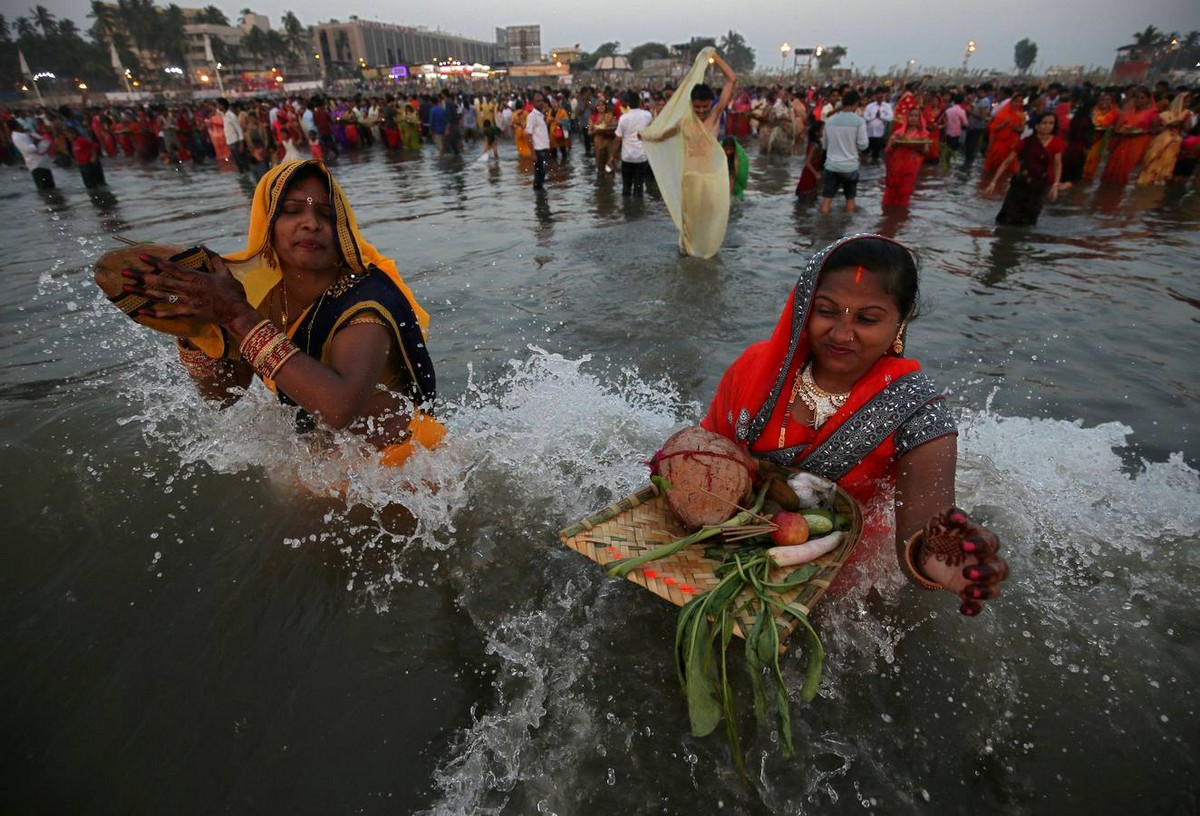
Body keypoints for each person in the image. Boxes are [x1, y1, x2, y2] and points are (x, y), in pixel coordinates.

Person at [701, 234, 1008, 615]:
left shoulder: (916, 410)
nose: (842, 334)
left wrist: (938, 559)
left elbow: (921, 530)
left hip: (834, 584)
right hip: (733, 545)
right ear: (804, 306)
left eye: (867, 319)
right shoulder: (755, 369)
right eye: (827, 311)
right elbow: (707, 454)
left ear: (902, 318)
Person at [116, 160, 444, 467]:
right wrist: (193, 329)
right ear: (266, 225)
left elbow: (339, 407)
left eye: (327, 214)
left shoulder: (368, 298)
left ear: (343, 228)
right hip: (323, 463)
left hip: (406, 464)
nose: (311, 223)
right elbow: (223, 397)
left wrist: (238, 317)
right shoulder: (256, 297)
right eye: (291, 211)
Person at [986, 111, 1063, 226]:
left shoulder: (1056, 142)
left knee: (1029, 219)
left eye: (1051, 123)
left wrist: (1055, 185)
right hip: (1020, 184)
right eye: (1044, 123)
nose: (1048, 126)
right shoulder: (1026, 142)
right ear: (1036, 126)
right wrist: (993, 182)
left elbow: (1058, 164)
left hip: (1039, 186)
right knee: (1008, 216)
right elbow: (1007, 162)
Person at [819, 88, 868, 214]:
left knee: (826, 200)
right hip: (850, 167)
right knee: (850, 200)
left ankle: (823, 225)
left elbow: (824, 145)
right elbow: (863, 145)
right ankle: (848, 227)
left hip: (831, 166)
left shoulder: (830, 121)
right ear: (856, 104)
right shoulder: (859, 122)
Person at [1100, 86, 1159, 185]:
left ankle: (1118, 192)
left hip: (1137, 144)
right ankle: (1106, 194)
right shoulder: (1129, 112)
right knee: (1112, 167)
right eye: (1137, 97)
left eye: (1142, 98)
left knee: (1125, 170)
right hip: (1123, 141)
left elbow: (1156, 129)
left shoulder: (1152, 113)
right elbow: (1118, 126)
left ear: (1148, 99)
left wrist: (1143, 131)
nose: (1139, 100)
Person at [882, 108, 931, 209]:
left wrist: (925, 145)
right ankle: (888, 216)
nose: (913, 118)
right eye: (911, 115)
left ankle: (901, 216)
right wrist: (894, 144)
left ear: (919, 118)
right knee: (891, 190)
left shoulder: (923, 134)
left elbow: (926, 153)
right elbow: (887, 151)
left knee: (905, 192)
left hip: (910, 168)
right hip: (895, 167)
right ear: (907, 117)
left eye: (916, 116)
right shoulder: (898, 133)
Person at [609, 91, 653, 197]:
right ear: (639, 102)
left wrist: (612, 157)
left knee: (626, 188)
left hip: (627, 158)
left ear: (628, 104)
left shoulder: (624, 118)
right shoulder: (647, 115)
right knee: (639, 188)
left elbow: (617, 139)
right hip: (641, 158)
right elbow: (651, 131)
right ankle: (638, 211)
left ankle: (627, 211)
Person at [11, 119, 56, 190]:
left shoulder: (26, 133)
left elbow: (42, 139)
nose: (22, 126)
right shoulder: (17, 137)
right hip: (36, 165)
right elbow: (28, 149)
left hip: (44, 163)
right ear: (16, 127)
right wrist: (35, 142)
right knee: (44, 190)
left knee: (52, 187)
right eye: (20, 125)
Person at [863, 88, 894, 165]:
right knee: (866, 151)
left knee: (876, 153)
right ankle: (865, 165)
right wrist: (874, 116)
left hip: (879, 133)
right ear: (875, 95)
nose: (880, 96)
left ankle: (875, 167)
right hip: (869, 133)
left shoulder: (887, 106)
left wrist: (881, 116)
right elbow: (865, 117)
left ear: (883, 95)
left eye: (881, 94)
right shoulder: (870, 106)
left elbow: (890, 118)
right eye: (878, 94)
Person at [527, 93, 551, 191]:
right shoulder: (532, 116)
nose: (541, 103)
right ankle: (539, 199)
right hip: (538, 151)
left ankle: (541, 200)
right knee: (539, 176)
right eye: (538, 101)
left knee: (542, 175)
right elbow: (528, 135)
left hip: (543, 150)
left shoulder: (540, 115)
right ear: (533, 103)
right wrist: (533, 154)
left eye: (542, 100)